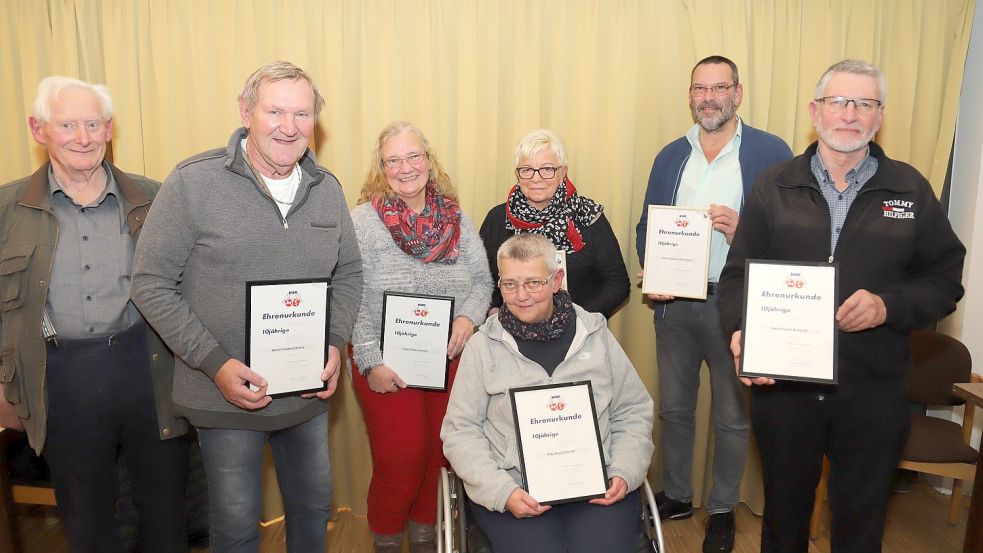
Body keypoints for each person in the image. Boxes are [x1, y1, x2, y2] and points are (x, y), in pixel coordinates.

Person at [718, 59, 966, 553]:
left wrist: (888, 306)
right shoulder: (774, 185)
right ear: (816, 111)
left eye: (865, 104)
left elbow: (945, 279)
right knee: (784, 517)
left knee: (860, 519)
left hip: (873, 392)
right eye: (838, 102)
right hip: (784, 391)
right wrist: (741, 333)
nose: (850, 114)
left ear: (879, 117)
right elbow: (738, 277)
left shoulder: (910, 190)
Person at [131, 61, 363, 553]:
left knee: (314, 508)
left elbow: (349, 273)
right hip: (223, 395)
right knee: (236, 527)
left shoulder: (328, 191)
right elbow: (150, 283)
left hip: (306, 394)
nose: (288, 126)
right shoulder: (193, 183)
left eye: (301, 114)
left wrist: (335, 342)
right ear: (245, 111)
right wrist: (214, 364)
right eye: (274, 110)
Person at [0, 76, 189, 553]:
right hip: (61, 377)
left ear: (109, 129)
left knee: (166, 513)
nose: (81, 137)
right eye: (67, 124)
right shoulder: (5, 209)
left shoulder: (156, 198)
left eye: (92, 124)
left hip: (150, 370)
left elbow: (194, 285)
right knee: (87, 520)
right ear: (38, 129)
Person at [634, 55, 792, 553]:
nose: (709, 97)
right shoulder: (669, 155)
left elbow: (791, 236)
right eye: (700, 88)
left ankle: (722, 509)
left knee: (731, 414)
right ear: (691, 95)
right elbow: (647, 227)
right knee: (675, 408)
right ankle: (678, 494)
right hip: (676, 304)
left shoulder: (771, 152)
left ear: (737, 94)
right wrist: (653, 272)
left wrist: (743, 230)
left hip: (738, 306)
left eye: (719, 88)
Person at [441, 233, 654, 553]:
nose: (521, 295)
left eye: (533, 283)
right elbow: (461, 431)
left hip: (597, 486)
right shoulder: (482, 347)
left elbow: (632, 411)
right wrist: (502, 492)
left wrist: (623, 471)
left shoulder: (596, 335)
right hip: (516, 489)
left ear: (556, 280)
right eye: (510, 284)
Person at [349, 121, 493, 553]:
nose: (405, 167)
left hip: (449, 361)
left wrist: (468, 319)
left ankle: (427, 539)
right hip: (385, 364)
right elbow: (349, 295)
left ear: (428, 161)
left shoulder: (456, 217)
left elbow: (482, 281)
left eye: (413, 156)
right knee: (401, 460)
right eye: (394, 160)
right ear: (382, 168)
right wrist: (371, 361)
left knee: (441, 454)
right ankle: (388, 542)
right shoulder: (361, 222)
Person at [479, 129, 629, 318]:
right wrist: (496, 312)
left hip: (579, 331)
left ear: (563, 172)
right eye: (526, 169)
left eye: (547, 169)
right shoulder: (498, 218)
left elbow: (617, 283)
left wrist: (575, 318)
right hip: (512, 330)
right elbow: (484, 280)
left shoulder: (587, 217)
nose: (536, 178)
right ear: (517, 174)